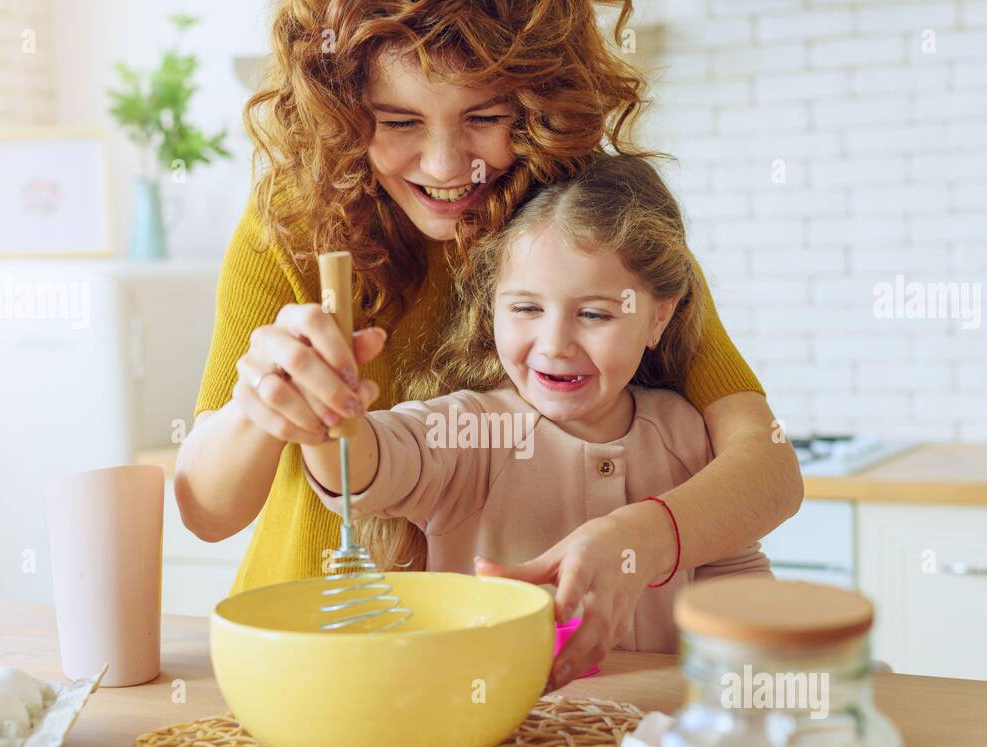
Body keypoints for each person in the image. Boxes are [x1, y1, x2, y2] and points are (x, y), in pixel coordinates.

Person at [175, 0, 803, 689]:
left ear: (536, 103)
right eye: (397, 121)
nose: (446, 166)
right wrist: (259, 401)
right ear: (343, 114)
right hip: (309, 647)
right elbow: (207, 508)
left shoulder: (588, 225)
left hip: (499, 672)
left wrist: (639, 535)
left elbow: (768, 468)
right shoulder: (297, 220)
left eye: (483, 118)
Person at [300, 152, 772, 663]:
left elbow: (735, 579)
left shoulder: (685, 435)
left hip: (649, 726)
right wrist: (328, 412)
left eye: (594, 314)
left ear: (658, 317)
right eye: (526, 308)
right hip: (494, 727)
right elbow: (367, 466)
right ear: (492, 305)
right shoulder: (469, 430)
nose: (555, 344)